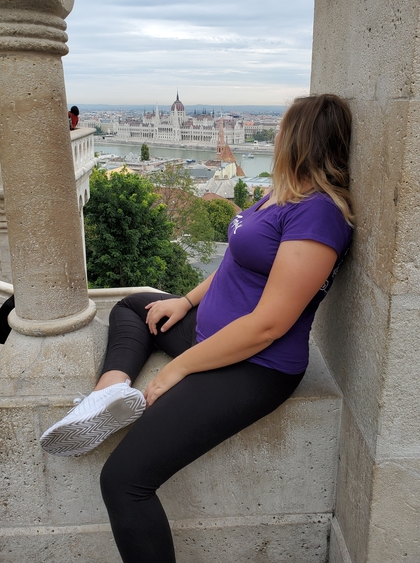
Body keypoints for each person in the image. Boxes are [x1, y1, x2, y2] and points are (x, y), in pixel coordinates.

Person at [40, 93, 354, 563]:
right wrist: (184, 301)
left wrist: (174, 370)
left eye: (283, 129)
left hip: (253, 366)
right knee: (134, 306)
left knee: (124, 482)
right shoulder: (280, 194)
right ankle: (109, 394)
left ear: (298, 139)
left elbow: (268, 326)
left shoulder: (319, 215)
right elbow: (238, 263)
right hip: (210, 333)